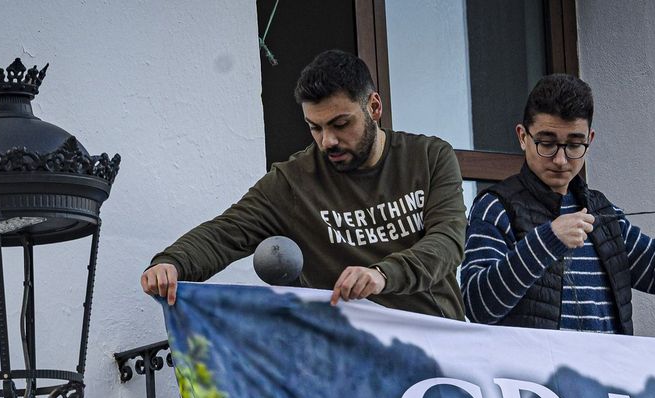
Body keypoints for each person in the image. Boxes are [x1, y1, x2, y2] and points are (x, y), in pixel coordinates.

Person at [141, 50, 466, 318]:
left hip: (439, 345)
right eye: (315, 127)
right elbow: (227, 232)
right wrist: (172, 262)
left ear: (374, 107)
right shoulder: (293, 181)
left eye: (341, 124)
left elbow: (448, 242)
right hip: (348, 357)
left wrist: (382, 275)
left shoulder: (429, 157)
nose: (328, 141)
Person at [460, 74, 655, 334]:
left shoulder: (601, 211)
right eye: (546, 143)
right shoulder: (496, 207)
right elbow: (479, 307)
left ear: (589, 140)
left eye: (573, 145)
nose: (560, 159)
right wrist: (548, 240)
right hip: (534, 374)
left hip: (607, 372)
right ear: (523, 136)